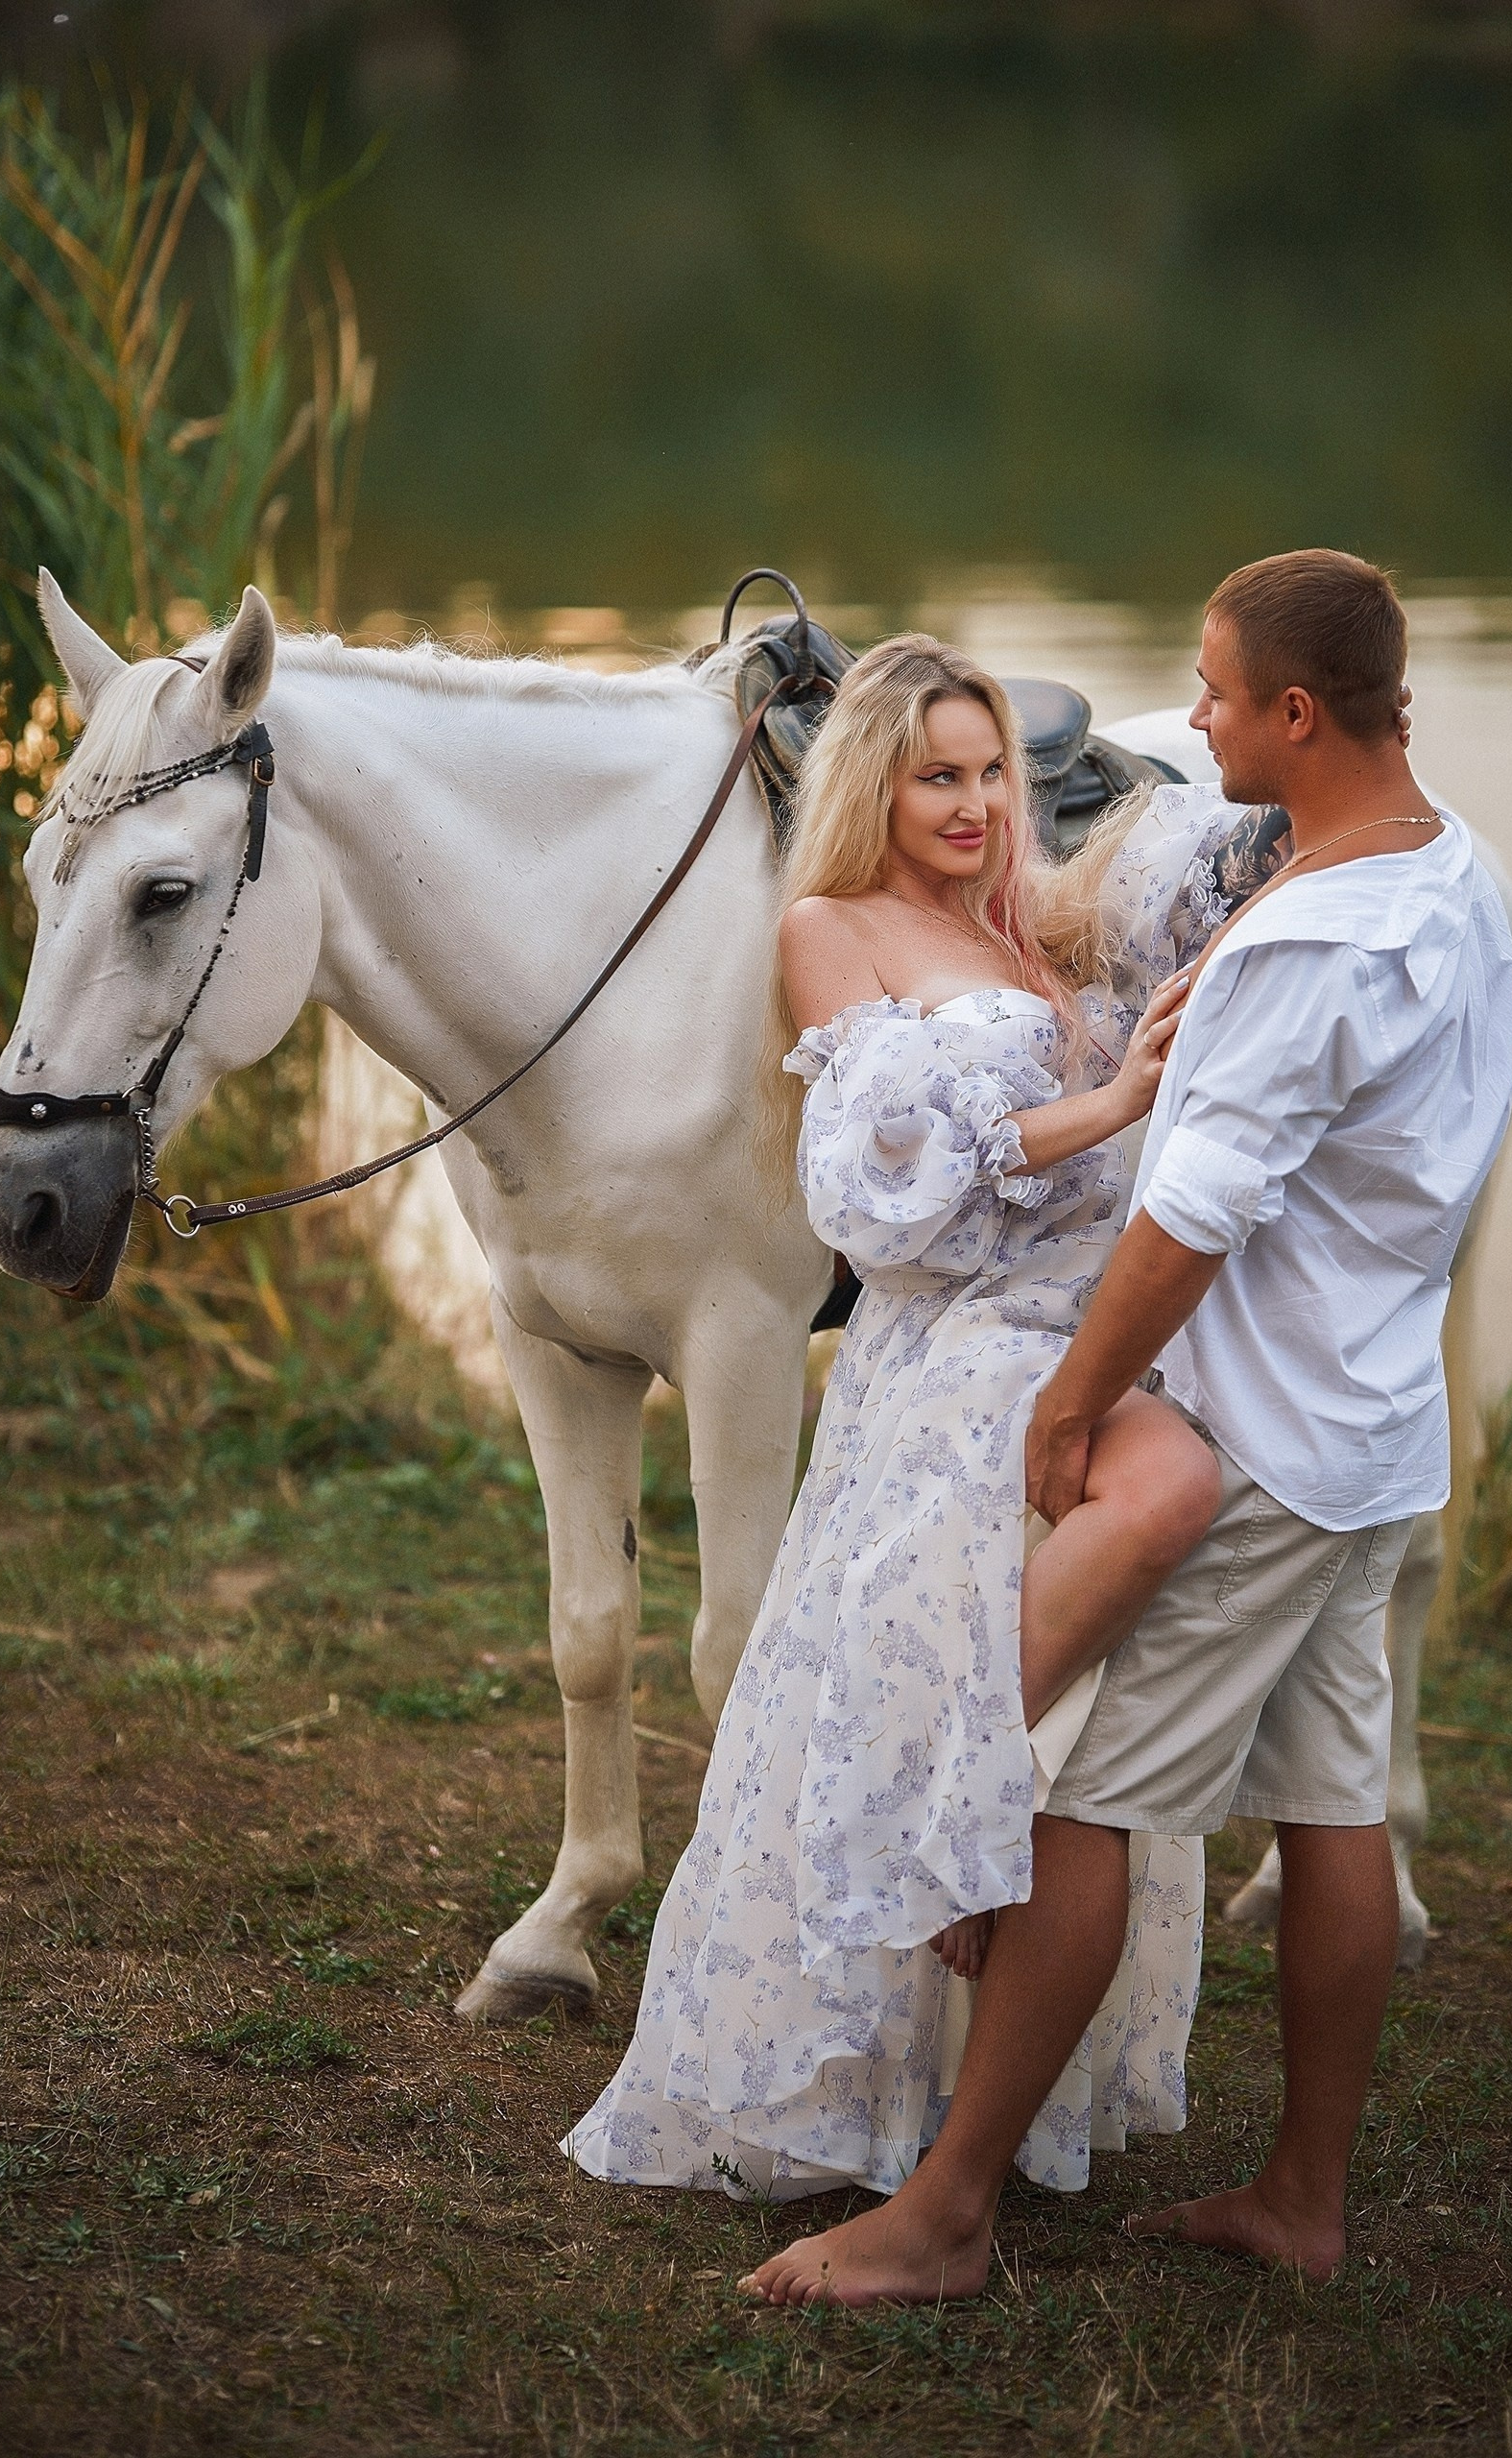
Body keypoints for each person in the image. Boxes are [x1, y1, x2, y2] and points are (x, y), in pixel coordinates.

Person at [743, 549, 1512, 2306]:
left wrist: (1079, 1400)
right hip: (1379, 1426)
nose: (1189, 717)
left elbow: (1189, 1222)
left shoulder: (1307, 946)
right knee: (1334, 1807)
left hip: (1258, 1440)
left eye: (1217, 692)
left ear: (1296, 713)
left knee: (1072, 1806)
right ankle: (1302, 2198)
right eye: (938, 775)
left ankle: (944, 2214)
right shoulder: (1453, 876)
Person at [565, 633, 1260, 2204]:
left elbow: (1218, 884)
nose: (974, 803)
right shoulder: (831, 929)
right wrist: (1112, 1102)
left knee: (1087, 1696)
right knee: (953, 1652)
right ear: (875, 784)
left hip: (1089, 1329)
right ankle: (872, 2039)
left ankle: (985, 2069)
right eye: (936, 775)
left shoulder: (1030, 922)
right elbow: (885, 1197)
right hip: (959, 1350)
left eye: (993, 772)